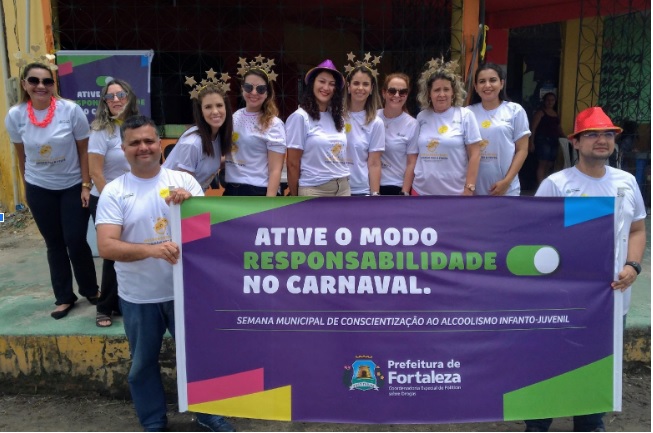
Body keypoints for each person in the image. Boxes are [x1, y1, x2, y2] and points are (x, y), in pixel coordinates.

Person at [96, 115, 234, 432]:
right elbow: (106, 246)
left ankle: (208, 413)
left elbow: (207, 236)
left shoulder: (184, 183)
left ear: (161, 145)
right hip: (139, 297)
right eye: (135, 143)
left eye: (149, 141)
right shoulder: (115, 192)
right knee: (143, 364)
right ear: (124, 149)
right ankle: (153, 419)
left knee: (201, 356)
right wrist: (153, 250)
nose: (143, 147)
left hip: (186, 293)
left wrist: (190, 208)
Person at [527, 107, 646, 432]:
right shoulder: (556, 184)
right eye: (592, 134)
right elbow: (533, 235)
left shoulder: (626, 182)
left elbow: (637, 230)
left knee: (598, 367)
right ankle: (537, 424)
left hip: (611, 299)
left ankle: (590, 424)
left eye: (608, 134)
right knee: (549, 364)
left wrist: (633, 266)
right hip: (562, 299)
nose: (602, 140)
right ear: (575, 143)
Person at [5, 61, 98, 319]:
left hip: (72, 186)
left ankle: (91, 289)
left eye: (47, 81)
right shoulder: (15, 115)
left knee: (75, 240)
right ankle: (64, 297)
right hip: (39, 189)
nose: (41, 86)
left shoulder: (70, 111)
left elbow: (83, 150)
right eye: (34, 80)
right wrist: (27, 188)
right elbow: (21, 156)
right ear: (24, 84)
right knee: (54, 243)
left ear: (53, 85)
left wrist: (86, 184)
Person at [88, 79, 139, 327]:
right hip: (107, 199)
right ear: (104, 103)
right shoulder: (101, 130)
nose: (116, 100)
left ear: (130, 97)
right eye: (110, 97)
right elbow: (96, 173)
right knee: (113, 255)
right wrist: (113, 202)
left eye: (121, 95)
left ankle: (121, 302)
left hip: (134, 198)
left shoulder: (136, 126)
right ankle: (104, 307)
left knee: (135, 250)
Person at [410, 57, 482, 195]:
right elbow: (414, 154)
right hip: (421, 191)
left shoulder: (465, 115)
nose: (441, 94)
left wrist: (469, 188)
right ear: (429, 94)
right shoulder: (422, 116)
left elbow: (475, 154)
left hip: (455, 193)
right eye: (436, 90)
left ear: (453, 92)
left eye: (446, 89)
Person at [286, 59, 349, 196]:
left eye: (331, 84)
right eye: (322, 81)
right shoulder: (300, 117)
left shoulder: (338, 118)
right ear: (312, 83)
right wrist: (295, 197)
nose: (326, 88)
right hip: (314, 190)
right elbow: (292, 163)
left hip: (343, 187)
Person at [225, 57, 286, 196]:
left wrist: (268, 204)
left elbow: (275, 170)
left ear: (267, 93)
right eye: (248, 87)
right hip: (231, 190)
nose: (254, 93)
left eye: (260, 89)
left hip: (258, 191)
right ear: (242, 89)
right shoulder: (234, 117)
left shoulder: (274, 124)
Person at [468, 63, 530, 196]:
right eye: (482, 81)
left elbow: (522, 150)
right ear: (476, 87)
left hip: (507, 190)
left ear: (501, 84)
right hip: (474, 190)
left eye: (493, 80)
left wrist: (506, 182)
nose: (487, 85)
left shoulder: (515, 110)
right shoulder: (468, 113)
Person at [163, 72, 232, 191]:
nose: (215, 111)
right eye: (208, 107)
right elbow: (184, 188)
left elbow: (208, 163)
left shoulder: (217, 135)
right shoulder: (192, 143)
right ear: (200, 112)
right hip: (168, 199)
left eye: (219, 105)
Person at [343, 53, 385, 196]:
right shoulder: (334, 116)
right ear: (348, 87)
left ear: (372, 89)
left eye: (365, 84)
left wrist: (374, 194)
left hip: (360, 190)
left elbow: (374, 163)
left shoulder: (376, 123)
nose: (360, 88)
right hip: (333, 189)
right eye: (356, 83)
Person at [378, 73, 419, 196]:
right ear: (384, 93)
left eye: (402, 92)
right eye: (392, 91)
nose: (397, 95)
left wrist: (405, 192)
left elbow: (412, 162)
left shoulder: (412, 124)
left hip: (396, 186)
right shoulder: (372, 118)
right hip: (368, 183)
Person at [530, 92, 565, 185]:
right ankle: (541, 186)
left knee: (550, 164)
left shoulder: (555, 114)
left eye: (552, 100)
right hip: (543, 141)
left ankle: (545, 184)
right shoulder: (540, 113)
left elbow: (558, 127)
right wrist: (531, 142)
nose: (550, 102)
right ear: (544, 101)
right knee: (543, 163)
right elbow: (533, 128)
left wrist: (565, 137)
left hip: (554, 141)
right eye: (548, 100)